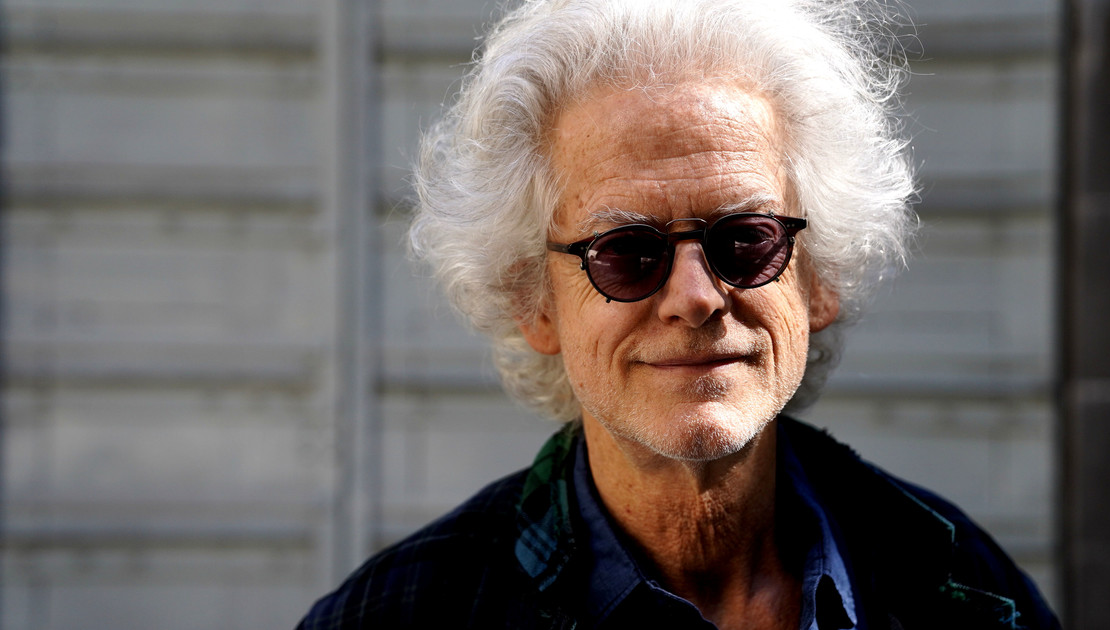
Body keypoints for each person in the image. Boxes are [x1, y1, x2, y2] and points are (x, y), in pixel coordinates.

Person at [297, 0, 1061, 628]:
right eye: (627, 251)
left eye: (746, 239)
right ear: (536, 301)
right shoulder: (404, 615)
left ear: (818, 277)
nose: (696, 296)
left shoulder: (962, 592)